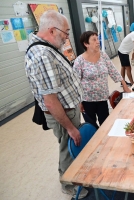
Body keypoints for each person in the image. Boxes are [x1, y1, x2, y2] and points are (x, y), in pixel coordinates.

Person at [24, 10, 88, 199]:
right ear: (52, 30)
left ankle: (72, 173)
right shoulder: (43, 55)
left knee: (69, 145)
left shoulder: (46, 46)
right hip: (63, 114)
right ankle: (68, 184)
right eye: (66, 33)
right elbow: (51, 102)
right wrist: (70, 128)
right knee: (68, 146)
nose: (67, 38)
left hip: (69, 108)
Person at [73, 31, 131, 129]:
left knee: (105, 125)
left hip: (102, 98)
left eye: (97, 39)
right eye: (94, 40)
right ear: (86, 44)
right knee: (92, 127)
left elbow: (113, 71)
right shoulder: (79, 61)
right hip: (87, 100)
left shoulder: (103, 56)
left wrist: (125, 85)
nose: (98, 41)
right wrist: (79, 102)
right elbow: (75, 83)